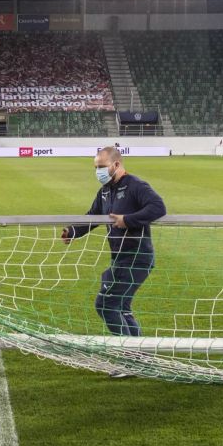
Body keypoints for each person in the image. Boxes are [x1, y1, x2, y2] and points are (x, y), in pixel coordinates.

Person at [62, 147, 166, 376]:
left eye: (101, 166)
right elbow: (93, 216)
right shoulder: (105, 192)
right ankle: (140, 355)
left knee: (106, 305)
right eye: (96, 167)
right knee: (121, 306)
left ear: (116, 164)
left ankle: (132, 359)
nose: (98, 171)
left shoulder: (136, 186)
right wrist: (72, 231)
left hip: (138, 257)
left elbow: (158, 208)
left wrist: (128, 220)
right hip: (119, 258)